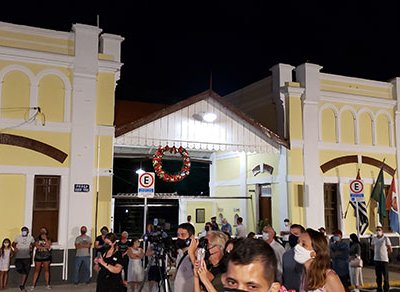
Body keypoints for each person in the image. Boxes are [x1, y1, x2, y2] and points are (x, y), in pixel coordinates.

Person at [282, 224, 305, 291]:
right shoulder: (286, 255)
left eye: (296, 234)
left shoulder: (308, 254)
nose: (292, 236)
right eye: (291, 234)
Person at [174, 222, 196, 292]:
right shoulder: (180, 253)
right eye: (178, 235)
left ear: (191, 236)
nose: (179, 237)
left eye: (183, 235)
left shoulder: (196, 254)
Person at [13, 226, 35, 292]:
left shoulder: (30, 238)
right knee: (19, 269)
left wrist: (31, 247)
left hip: (27, 257)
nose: (24, 232)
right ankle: (21, 283)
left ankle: (22, 285)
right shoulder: (18, 237)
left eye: (25, 231)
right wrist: (15, 248)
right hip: (19, 256)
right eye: (23, 231)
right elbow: (13, 243)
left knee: (25, 271)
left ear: (27, 232)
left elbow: (33, 243)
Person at [371, 225, 392, 292]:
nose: (378, 231)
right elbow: (372, 247)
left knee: (385, 276)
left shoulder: (385, 238)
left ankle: (386, 288)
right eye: (377, 230)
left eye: (379, 230)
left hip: (384, 260)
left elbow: (390, 248)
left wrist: (386, 254)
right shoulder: (374, 238)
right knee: (378, 276)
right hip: (377, 259)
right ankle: (379, 287)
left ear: (382, 231)